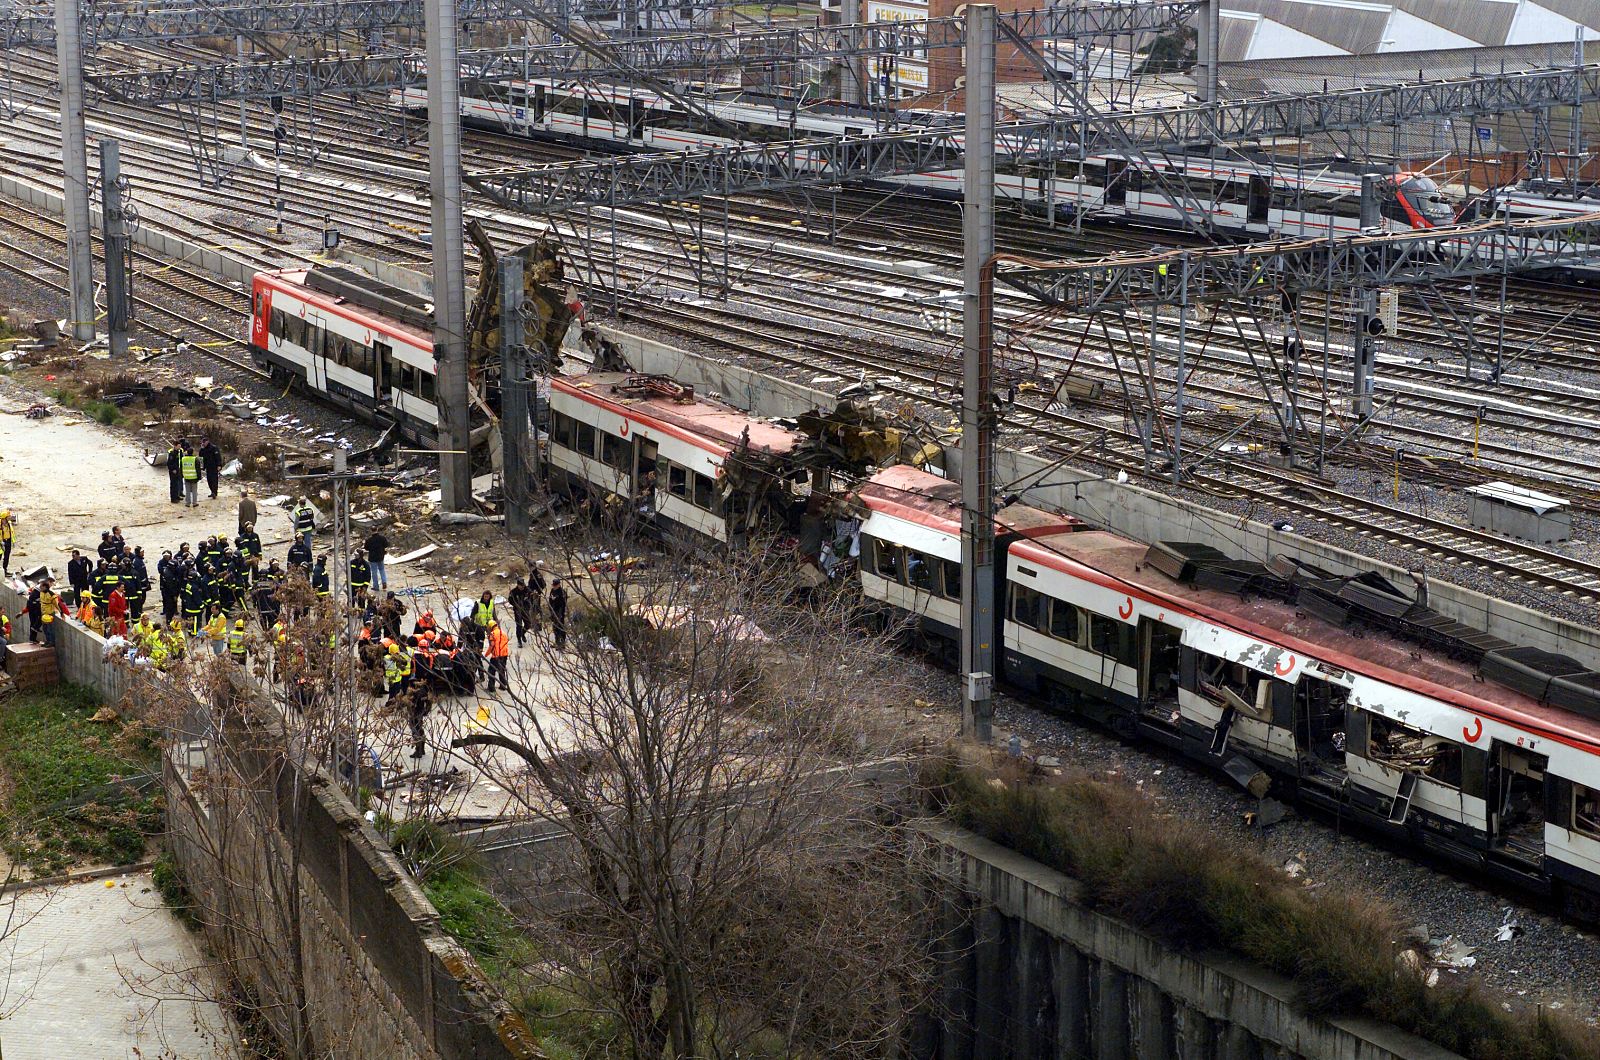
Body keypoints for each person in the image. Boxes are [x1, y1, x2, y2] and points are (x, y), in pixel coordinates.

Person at [485, 620, 510, 693]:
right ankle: (503, 685)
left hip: (496, 656)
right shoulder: (504, 633)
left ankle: (491, 688)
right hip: (504, 655)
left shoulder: (492, 634)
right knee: (502, 670)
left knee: (491, 671)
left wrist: (486, 654)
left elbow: (491, 646)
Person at [38, 580, 60, 647]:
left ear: (45, 587)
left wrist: (60, 611)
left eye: (41, 587)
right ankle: (47, 641)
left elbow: (56, 604)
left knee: (50, 628)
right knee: (45, 628)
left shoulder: (51, 594)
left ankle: (52, 642)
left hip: (50, 613)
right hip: (43, 612)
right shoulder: (41, 592)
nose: (40, 588)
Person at [548, 578, 567, 652]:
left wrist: (560, 614)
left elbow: (563, 604)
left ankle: (562, 644)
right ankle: (557, 642)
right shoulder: (552, 591)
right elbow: (550, 600)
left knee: (560, 628)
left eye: (555, 585)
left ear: (559, 585)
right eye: (554, 585)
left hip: (559, 612)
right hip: (553, 612)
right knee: (555, 628)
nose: (554, 586)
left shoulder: (562, 593)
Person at [166, 440, 184, 504]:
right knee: (173, 485)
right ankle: (173, 498)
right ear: (175, 446)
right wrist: (172, 469)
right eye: (179, 446)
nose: (180, 447)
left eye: (180, 446)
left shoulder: (179, 452)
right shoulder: (172, 453)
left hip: (178, 470)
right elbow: (169, 463)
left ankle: (177, 496)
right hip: (173, 471)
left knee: (177, 484)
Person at [0, 509, 14, 576]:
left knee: (6, 557)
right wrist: (1, 542)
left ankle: (5, 571)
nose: (9, 517)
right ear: (4, 518)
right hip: (1, 542)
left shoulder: (9, 523)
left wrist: (13, 541)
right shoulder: (0, 526)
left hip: (8, 541)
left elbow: (11, 532)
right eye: (8, 517)